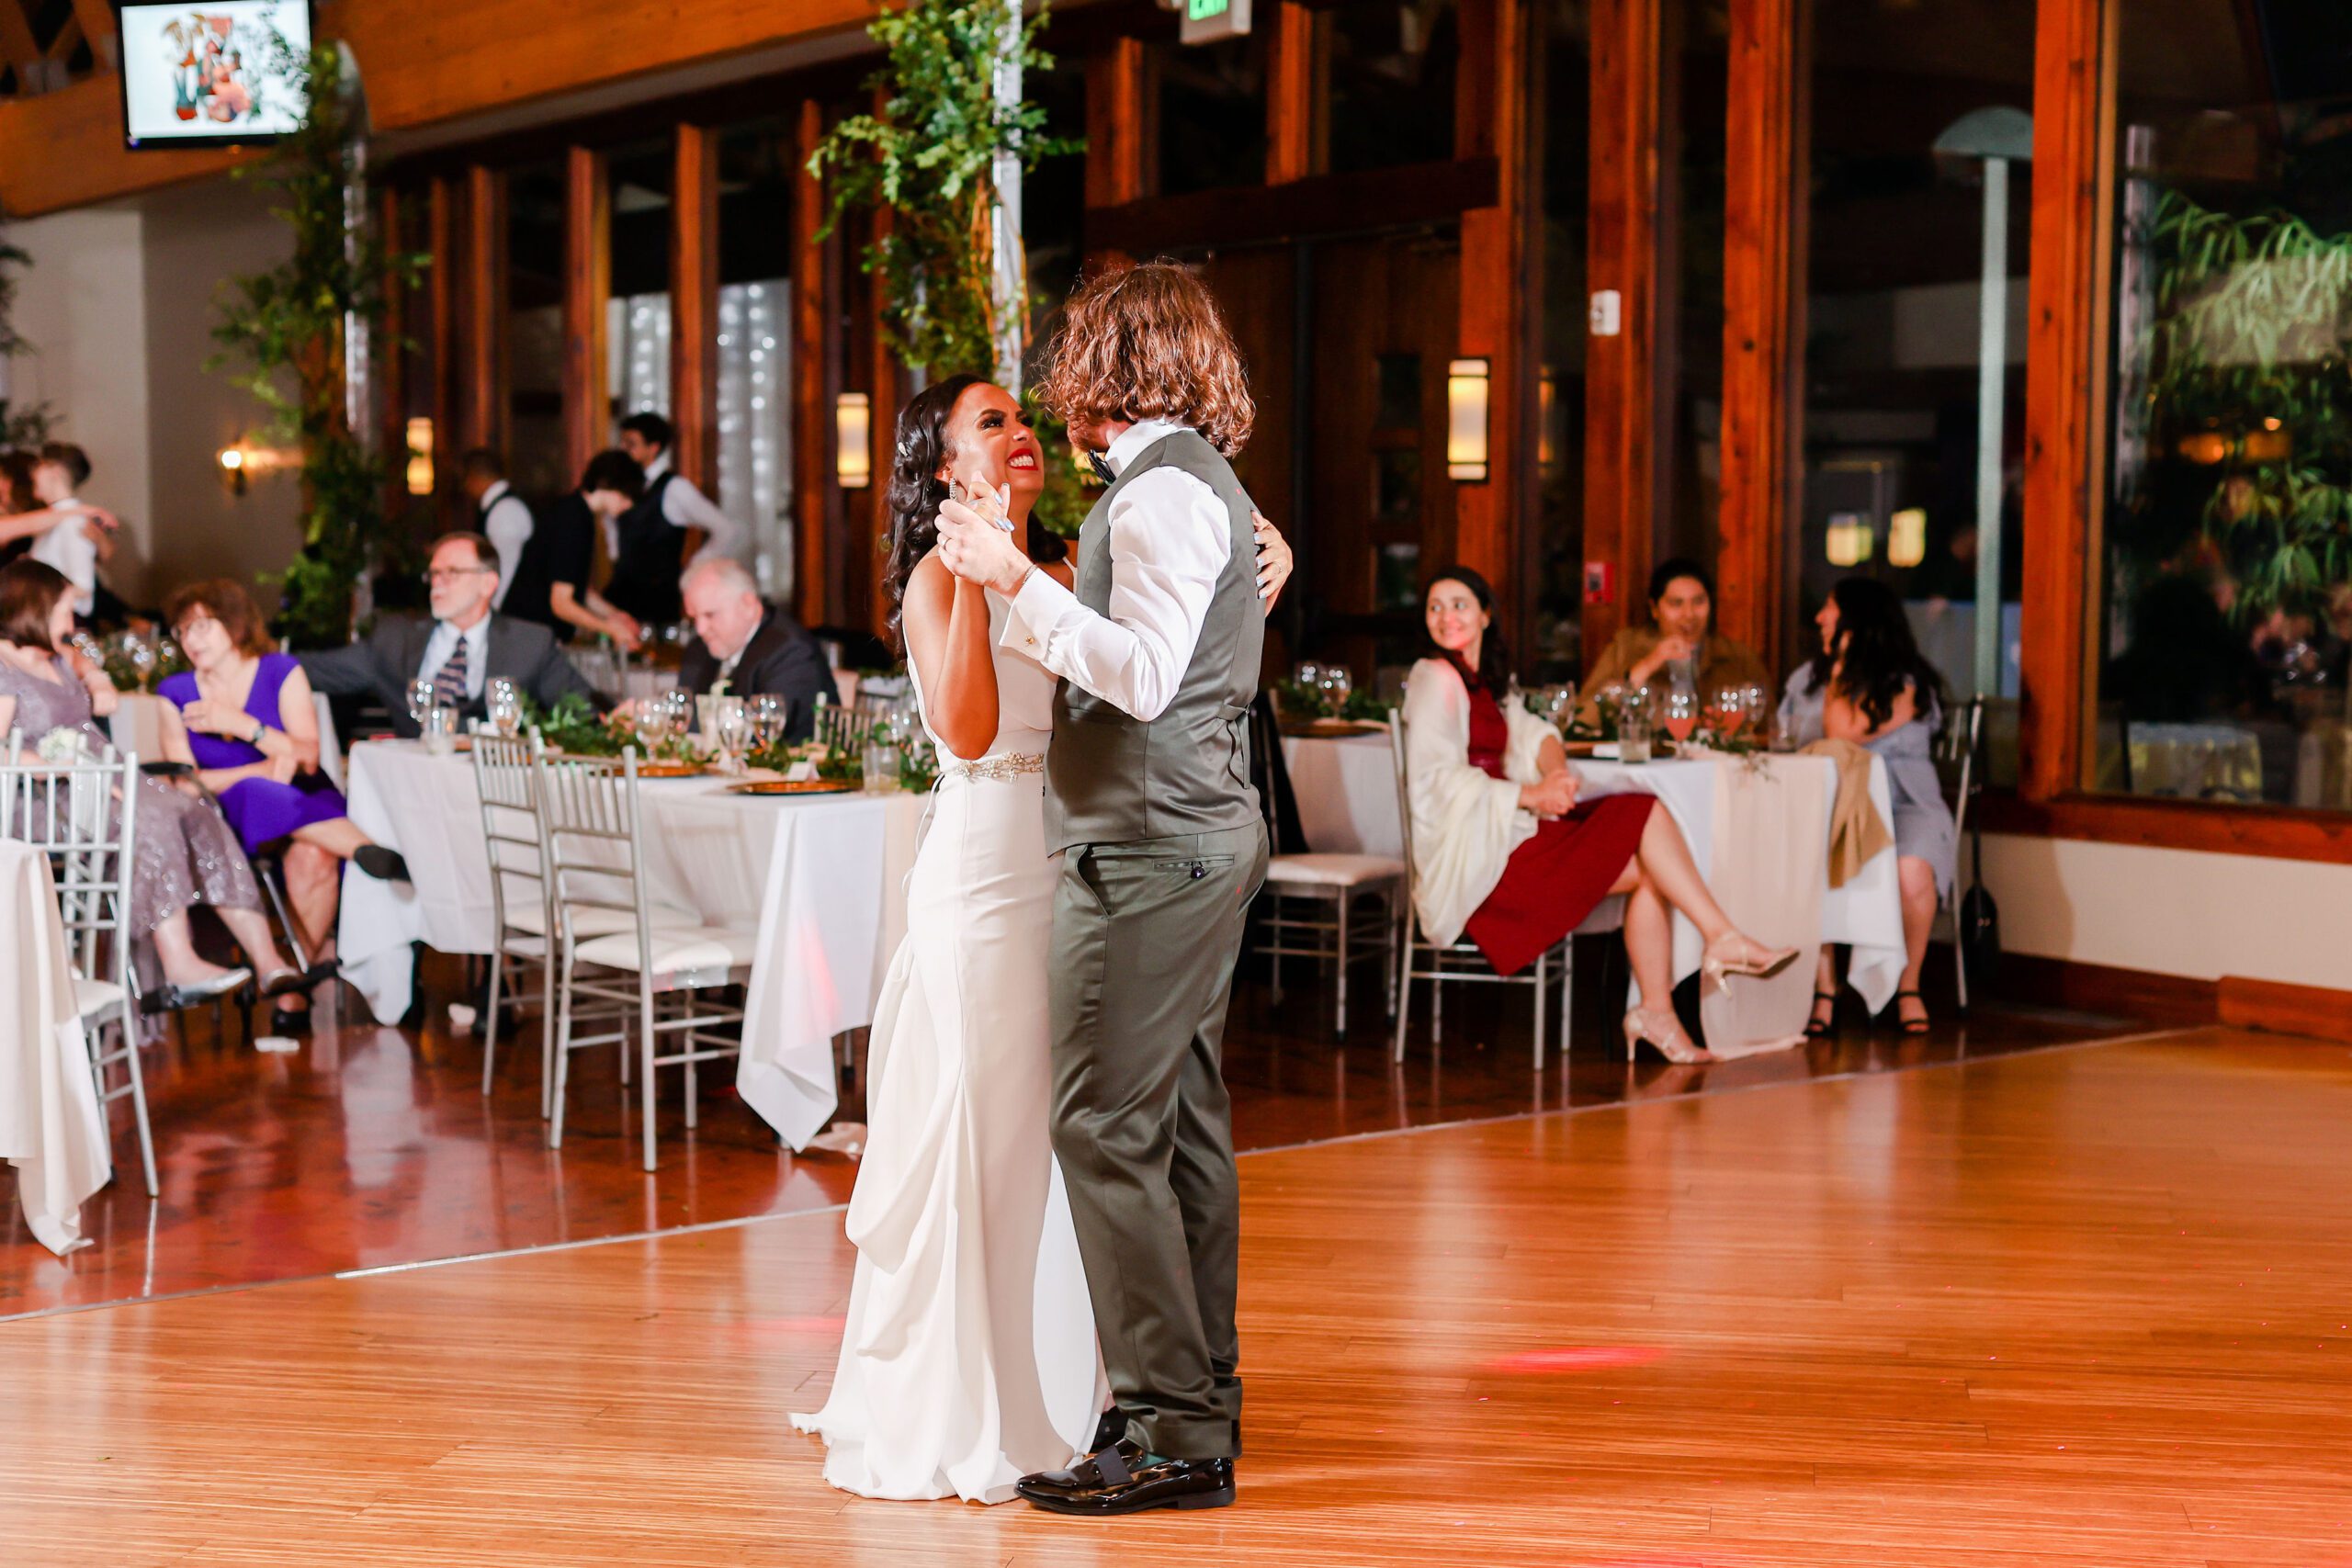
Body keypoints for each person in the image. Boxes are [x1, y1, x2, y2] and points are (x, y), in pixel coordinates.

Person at [795, 355, 1294, 1506]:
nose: (1021, 431)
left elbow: (1157, 663)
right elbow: (970, 732)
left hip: (1083, 864)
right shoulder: (939, 578)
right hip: (983, 874)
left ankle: (1092, 1389)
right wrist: (980, 573)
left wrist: (1265, 556)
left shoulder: (1073, 563)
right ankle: (984, 1395)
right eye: (990, 422)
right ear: (942, 468)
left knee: (1080, 1133)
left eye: (1021, 416)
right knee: (991, 1128)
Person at [932, 260, 1291, 1517]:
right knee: (1176, 1123)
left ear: (1109, 363)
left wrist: (1009, 575)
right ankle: (1193, 1402)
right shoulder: (1181, 484)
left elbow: (1141, 677)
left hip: (1149, 851)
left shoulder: (1166, 494)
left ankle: (1167, 1425)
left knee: (1104, 1125)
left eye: (1074, 353)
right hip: (1177, 837)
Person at [1403, 566, 1796, 1066]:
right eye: (1435, 607)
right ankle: (1715, 946)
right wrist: (1531, 794)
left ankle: (1662, 1008)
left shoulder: (1486, 683)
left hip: (1507, 835)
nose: (1446, 617)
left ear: (1484, 615)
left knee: (1645, 831)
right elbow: (1434, 782)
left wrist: (1556, 773)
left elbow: (1538, 732)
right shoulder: (1433, 677)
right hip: (1480, 862)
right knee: (1642, 820)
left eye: (1459, 605)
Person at [0, 559, 311, 1015]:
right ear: (36, 607)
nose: (72, 623)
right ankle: (179, 962)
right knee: (148, 818)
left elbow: (82, 659)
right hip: (50, 798)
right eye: (65, 610)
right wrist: (55, 765)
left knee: (195, 810)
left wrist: (95, 676)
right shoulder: (4, 669)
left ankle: (268, 962)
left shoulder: (54, 655)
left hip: (105, 777)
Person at [154, 578, 409, 1034]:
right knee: (256, 790)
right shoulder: (174, 692)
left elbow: (307, 756)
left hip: (305, 794)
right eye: (183, 630)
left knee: (313, 857)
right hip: (228, 813)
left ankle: (292, 991)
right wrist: (264, 767)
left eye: (203, 626)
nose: (191, 639)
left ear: (234, 624)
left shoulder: (280, 670)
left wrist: (241, 725)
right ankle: (362, 848)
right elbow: (187, 785)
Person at [1780, 576, 1957, 1036]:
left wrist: (1840, 669)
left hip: (1904, 805)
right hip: (1828, 804)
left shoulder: (1903, 684)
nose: (1819, 618)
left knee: (1912, 871)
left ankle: (1908, 984)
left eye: (1830, 609)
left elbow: (1844, 733)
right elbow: (1781, 735)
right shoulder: (1806, 680)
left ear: (1857, 621)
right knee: (1809, 863)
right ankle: (1825, 987)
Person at [300, 531, 599, 738]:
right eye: (434, 573)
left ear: (488, 584)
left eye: (452, 573)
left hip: (495, 787)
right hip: (416, 784)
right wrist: (271, 661)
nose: (437, 583)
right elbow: (319, 670)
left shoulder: (528, 643)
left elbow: (581, 707)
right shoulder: (393, 639)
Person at [1575, 557, 1771, 726]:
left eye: (1698, 602)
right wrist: (1647, 665)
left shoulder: (1738, 657)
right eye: (1676, 604)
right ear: (1655, 609)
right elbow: (1583, 720)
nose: (1689, 614)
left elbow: (1769, 726)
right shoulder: (1626, 648)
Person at [673, 556, 833, 742]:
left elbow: (766, 735)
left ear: (748, 604)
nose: (700, 629)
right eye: (694, 618)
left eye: (710, 615)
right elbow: (685, 715)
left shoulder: (790, 651)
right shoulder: (699, 649)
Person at [607, 412, 746, 626]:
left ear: (653, 447)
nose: (623, 449)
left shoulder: (674, 487)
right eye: (622, 443)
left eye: (631, 444)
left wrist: (694, 567)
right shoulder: (623, 485)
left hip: (658, 598)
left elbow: (726, 530)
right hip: (621, 592)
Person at [502, 449, 646, 648]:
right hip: (525, 638)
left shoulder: (577, 512)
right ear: (606, 484)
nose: (629, 505)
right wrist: (610, 628)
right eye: (626, 495)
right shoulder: (573, 520)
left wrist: (614, 615)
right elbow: (561, 603)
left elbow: (573, 586)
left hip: (528, 635)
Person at [458, 448, 534, 611]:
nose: (465, 487)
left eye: (465, 480)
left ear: (474, 477)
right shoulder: (499, 507)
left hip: (511, 609)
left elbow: (506, 569)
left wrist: (491, 610)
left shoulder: (505, 511)